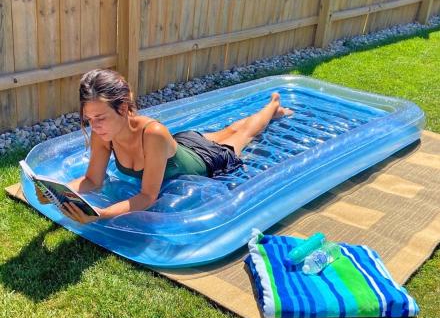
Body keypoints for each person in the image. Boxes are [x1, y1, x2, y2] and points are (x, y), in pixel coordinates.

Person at [36, 69, 293, 223]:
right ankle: (272, 108)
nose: (95, 125)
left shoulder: (153, 133)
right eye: (89, 119)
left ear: (123, 108)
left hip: (207, 160)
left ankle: (272, 106)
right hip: (182, 144)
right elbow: (93, 180)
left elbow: (148, 196)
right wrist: (57, 191)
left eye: (101, 118)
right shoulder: (102, 134)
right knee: (228, 129)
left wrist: (101, 214)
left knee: (243, 133)